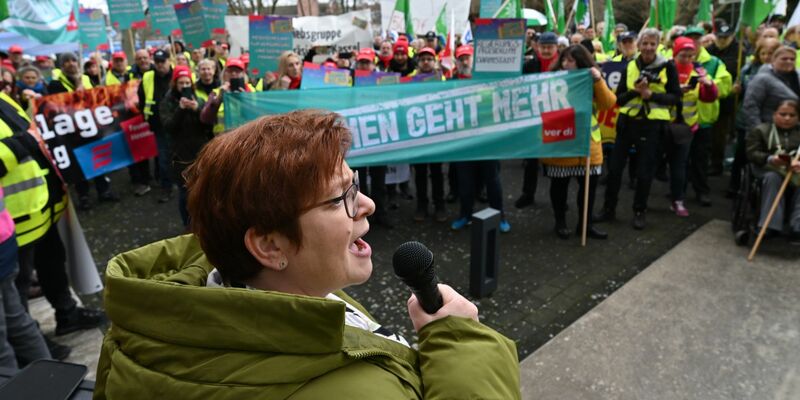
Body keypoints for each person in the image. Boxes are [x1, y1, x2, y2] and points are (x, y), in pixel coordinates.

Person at [93, 110, 521, 398]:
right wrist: (462, 343)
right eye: (339, 199)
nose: (367, 204)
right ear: (270, 245)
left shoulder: (156, 323)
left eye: (355, 185)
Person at [0, 68, 104, 360]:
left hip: (38, 209)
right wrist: (25, 143)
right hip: (16, 221)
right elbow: (25, 140)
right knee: (15, 296)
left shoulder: (4, 99)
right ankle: (29, 351)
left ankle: (66, 315)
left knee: (52, 266)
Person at [595, 28, 681, 230]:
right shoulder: (631, 66)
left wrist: (652, 95)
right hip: (628, 122)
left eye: (652, 43)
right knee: (615, 170)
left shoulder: (668, 67)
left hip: (653, 125)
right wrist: (636, 91)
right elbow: (619, 99)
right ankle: (608, 209)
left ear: (658, 44)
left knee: (645, 172)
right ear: (639, 45)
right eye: (645, 43)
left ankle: (639, 211)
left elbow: (676, 97)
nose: (648, 47)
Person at [541, 45, 615, 240]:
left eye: (571, 60)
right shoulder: (551, 81)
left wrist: (597, 80)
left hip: (587, 145)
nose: (566, 64)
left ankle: (586, 225)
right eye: (564, 59)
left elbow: (608, 104)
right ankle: (560, 222)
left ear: (582, 62)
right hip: (561, 142)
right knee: (559, 187)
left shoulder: (592, 79)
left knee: (588, 190)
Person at [450, 45, 511, 233]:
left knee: (492, 180)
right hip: (463, 142)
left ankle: (499, 215)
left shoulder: (486, 81)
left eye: (467, 58)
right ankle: (465, 215)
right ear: (457, 62)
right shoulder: (450, 81)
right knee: (465, 182)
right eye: (461, 59)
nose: (465, 62)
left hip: (487, 141)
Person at [48, 53, 120, 211]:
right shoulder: (55, 84)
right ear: (61, 65)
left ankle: (104, 191)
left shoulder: (87, 79)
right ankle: (84, 196)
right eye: (66, 61)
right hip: (71, 132)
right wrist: (78, 89)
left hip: (90, 128)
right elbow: (61, 105)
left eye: (74, 60)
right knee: (78, 165)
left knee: (97, 160)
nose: (71, 64)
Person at [667, 37, 719, 218]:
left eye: (691, 55)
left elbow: (709, 97)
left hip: (687, 128)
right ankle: (641, 203)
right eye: (683, 55)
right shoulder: (667, 68)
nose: (687, 59)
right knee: (651, 165)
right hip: (662, 126)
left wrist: (709, 84)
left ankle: (677, 200)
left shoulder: (698, 70)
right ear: (675, 54)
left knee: (680, 165)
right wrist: (675, 90)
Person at [682, 26, 732, 206]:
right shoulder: (677, 60)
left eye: (697, 39)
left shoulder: (714, 62)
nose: (693, 43)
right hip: (682, 120)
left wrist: (707, 83)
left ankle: (701, 190)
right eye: (690, 38)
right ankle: (678, 192)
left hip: (703, 120)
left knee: (700, 158)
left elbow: (726, 86)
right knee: (680, 159)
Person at [159, 65, 211, 228]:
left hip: (200, 152)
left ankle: (204, 223)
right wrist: (180, 110)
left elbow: (208, 124)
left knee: (203, 191)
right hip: (179, 155)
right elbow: (168, 126)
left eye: (187, 82)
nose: (184, 86)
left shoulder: (198, 99)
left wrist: (197, 109)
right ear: (175, 84)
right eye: (181, 83)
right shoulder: (167, 102)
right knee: (185, 194)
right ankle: (188, 226)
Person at [729, 38, 781, 197]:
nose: (766, 56)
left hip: (771, 120)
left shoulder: (782, 72)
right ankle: (735, 185)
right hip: (747, 120)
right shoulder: (749, 69)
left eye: (770, 53)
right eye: (763, 53)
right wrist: (737, 89)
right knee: (742, 153)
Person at [515, 31, 560, 209]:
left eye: (550, 47)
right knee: (531, 160)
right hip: (534, 117)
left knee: (556, 162)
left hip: (556, 118)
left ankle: (558, 198)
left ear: (556, 47)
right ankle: (528, 193)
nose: (546, 50)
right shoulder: (530, 65)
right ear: (537, 47)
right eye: (543, 47)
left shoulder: (564, 65)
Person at [745, 100, 800, 243]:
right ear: (774, 115)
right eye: (783, 114)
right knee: (772, 178)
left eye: (792, 115)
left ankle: (797, 226)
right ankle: (769, 226)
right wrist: (770, 158)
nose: (787, 118)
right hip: (767, 169)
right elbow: (751, 153)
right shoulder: (761, 130)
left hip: (795, 172)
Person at [352, 48, 392, 228]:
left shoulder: (383, 83)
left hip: (378, 137)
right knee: (358, 182)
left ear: (373, 64)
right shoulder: (350, 82)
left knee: (379, 180)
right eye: (361, 62)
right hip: (357, 139)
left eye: (367, 62)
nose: (364, 66)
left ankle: (380, 214)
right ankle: (362, 216)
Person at [412, 48, 446, 222]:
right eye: (423, 59)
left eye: (429, 59)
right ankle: (422, 205)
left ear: (435, 61)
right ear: (418, 62)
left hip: (436, 134)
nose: (426, 62)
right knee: (420, 173)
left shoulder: (443, 79)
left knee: (437, 172)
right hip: (418, 135)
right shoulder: (410, 80)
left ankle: (439, 205)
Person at [138, 49, 175, 203]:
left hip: (179, 126)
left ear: (169, 61)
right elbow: (142, 98)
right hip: (159, 126)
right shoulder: (147, 77)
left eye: (163, 61)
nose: (160, 65)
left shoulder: (177, 74)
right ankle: (167, 188)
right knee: (164, 159)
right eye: (157, 61)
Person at [743, 46, 800, 136]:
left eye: (792, 59)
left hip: (794, 133)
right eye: (784, 59)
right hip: (768, 131)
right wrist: (758, 132)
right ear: (773, 60)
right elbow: (751, 106)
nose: (789, 61)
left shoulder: (797, 77)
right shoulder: (762, 79)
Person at [707, 24, 739, 176]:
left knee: (720, 134)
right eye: (720, 37)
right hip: (707, 98)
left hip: (727, 100)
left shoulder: (739, 52)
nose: (723, 40)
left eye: (726, 37)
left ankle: (716, 162)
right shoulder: (709, 51)